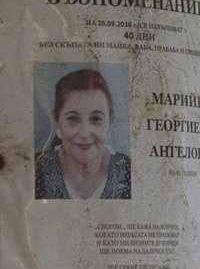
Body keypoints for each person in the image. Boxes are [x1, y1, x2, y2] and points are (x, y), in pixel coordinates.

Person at [34, 68, 132, 201]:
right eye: (73, 119)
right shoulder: (34, 169)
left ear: (110, 122)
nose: (85, 133)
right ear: (56, 119)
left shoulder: (130, 173)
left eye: (96, 119)